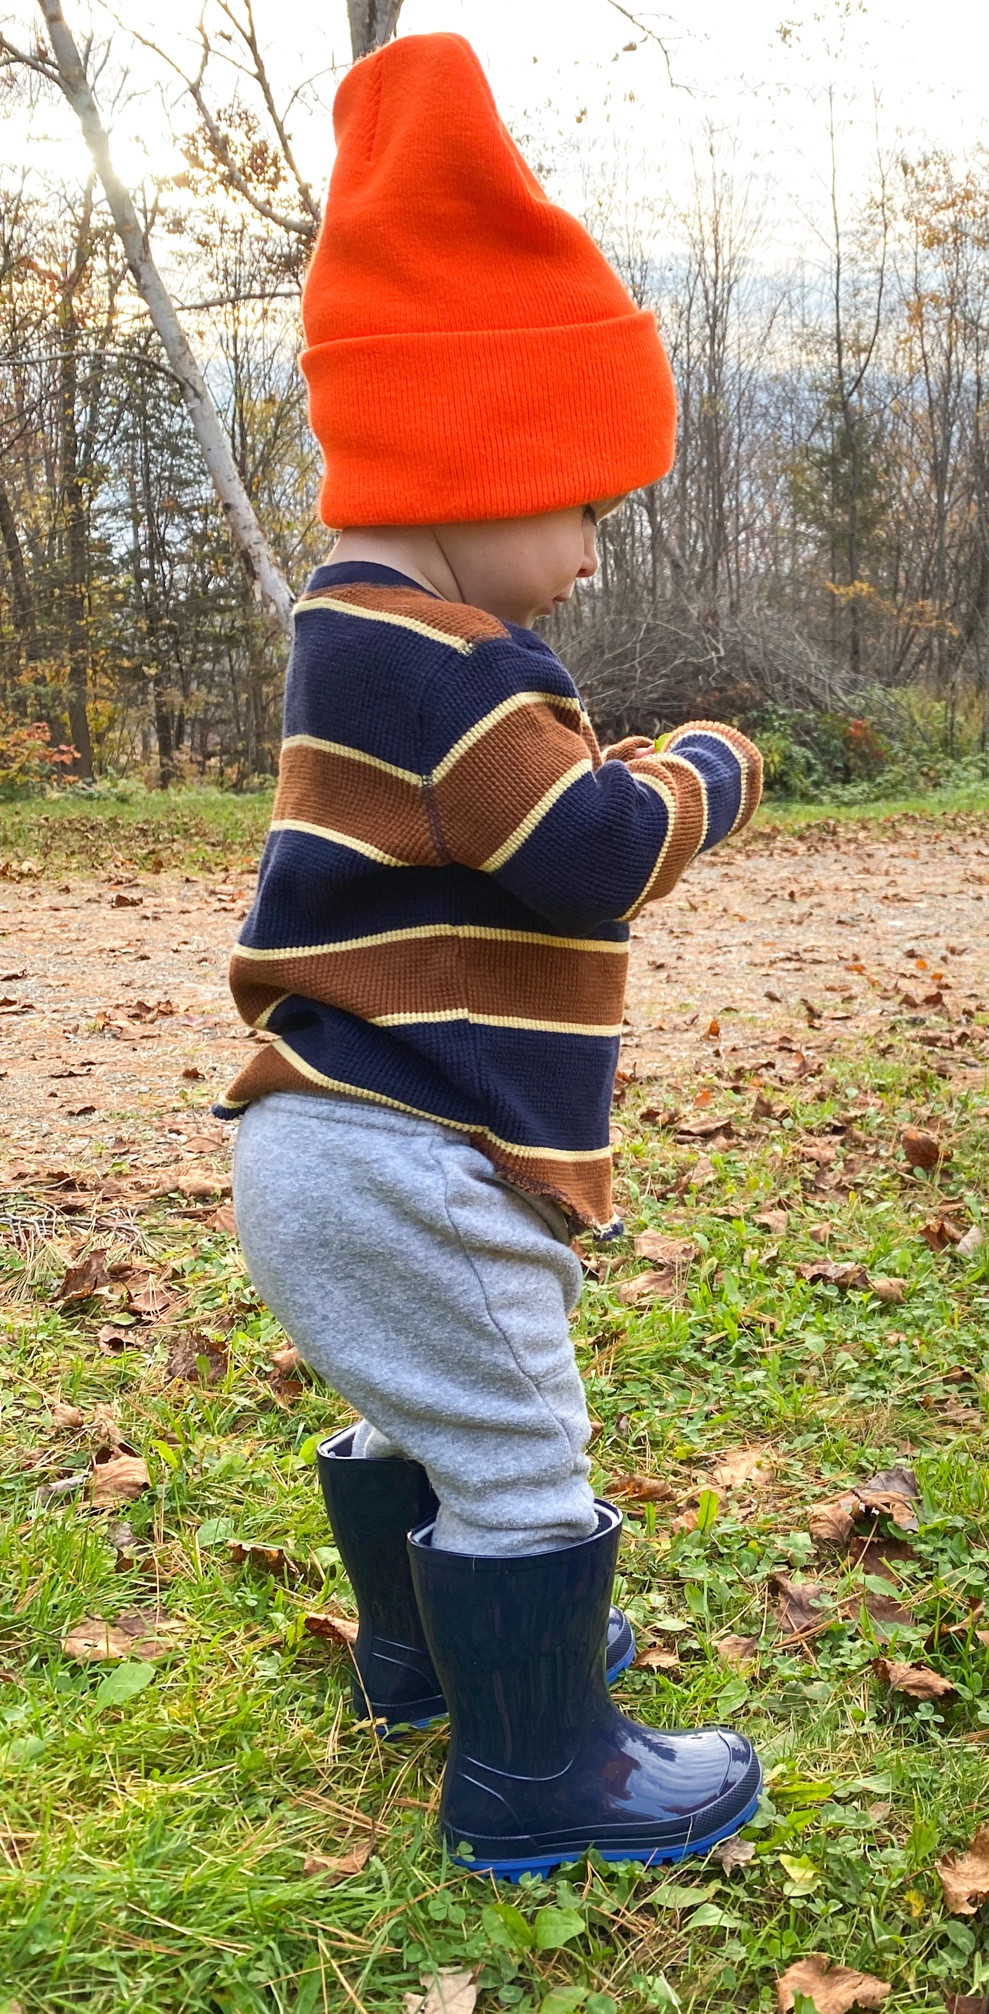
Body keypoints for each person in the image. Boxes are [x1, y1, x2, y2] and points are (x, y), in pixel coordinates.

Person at [222, 32, 763, 1879]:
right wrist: (708, 768)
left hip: (325, 1143)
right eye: (586, 503)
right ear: (480, 459)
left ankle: (425, 1663)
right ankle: (548, 1779)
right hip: (413, 1154)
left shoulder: (361, 634)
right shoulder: (447, 664)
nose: (597, 559)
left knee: (417, 1410)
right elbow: (588, 851)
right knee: (525, 1447)